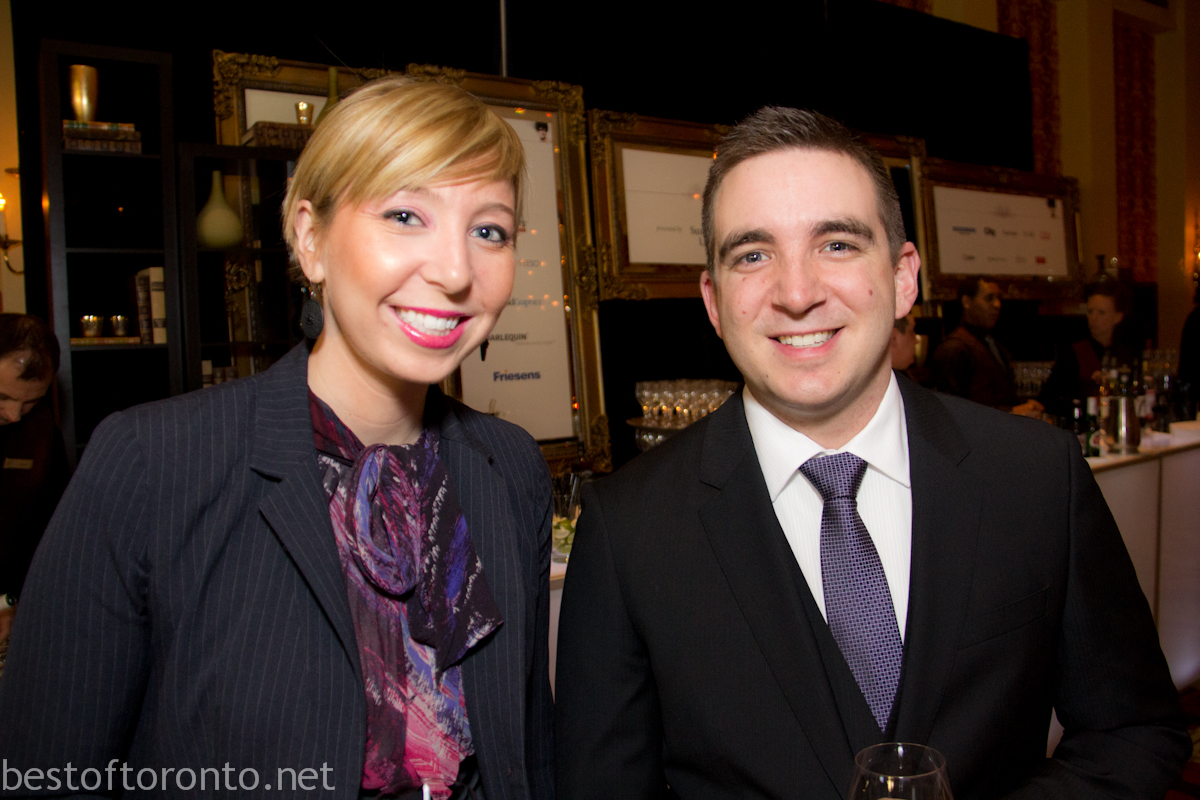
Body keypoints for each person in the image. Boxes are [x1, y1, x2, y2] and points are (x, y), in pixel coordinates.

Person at [554, 106, 1188, 800]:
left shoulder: (1036, 477)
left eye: (837, 244)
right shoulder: (630, 530)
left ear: (903, 276)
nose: (797, 293)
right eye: (753, 255)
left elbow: (1134, 731)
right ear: (713, 300)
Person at [0, 78, 553, 800]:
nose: (455, 271)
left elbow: (532, 751)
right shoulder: (151, 463)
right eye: (405, 215)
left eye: (489, 231)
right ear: (310, 238)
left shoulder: (509, 467)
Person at [0, 314, 68, 645]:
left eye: (30, 402)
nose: (14, 415)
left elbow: (53, 530)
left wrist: (17, 603)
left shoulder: (40, 429)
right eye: (3, 398)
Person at [931, 277, 1039, 416]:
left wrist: (1024, 405)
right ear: (967, 302)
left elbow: (997, 395)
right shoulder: (954, 348)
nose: (997, 304)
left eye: (998, 298)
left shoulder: (991, 343)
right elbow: (953, 409)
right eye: (989, 298)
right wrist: (1011, 412)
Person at [1030, 282, 1136, 418]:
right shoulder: (1072, 353)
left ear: (1118, 317)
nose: (1094, 318)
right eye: (1090, 311)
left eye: (1101, 312)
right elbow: (1049, 399)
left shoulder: (1127, 355)